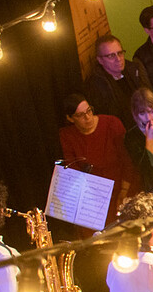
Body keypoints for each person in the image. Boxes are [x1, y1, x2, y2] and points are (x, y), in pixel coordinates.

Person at [59, 92, 139, 223]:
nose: (88, 118)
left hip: (124, 186)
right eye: (80, 115)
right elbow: (73, 169)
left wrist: (123, 192)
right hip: (95, 195)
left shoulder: (111, 123)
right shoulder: (67, 135)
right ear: (70, 118)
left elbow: (128, 160)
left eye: (89, 111)